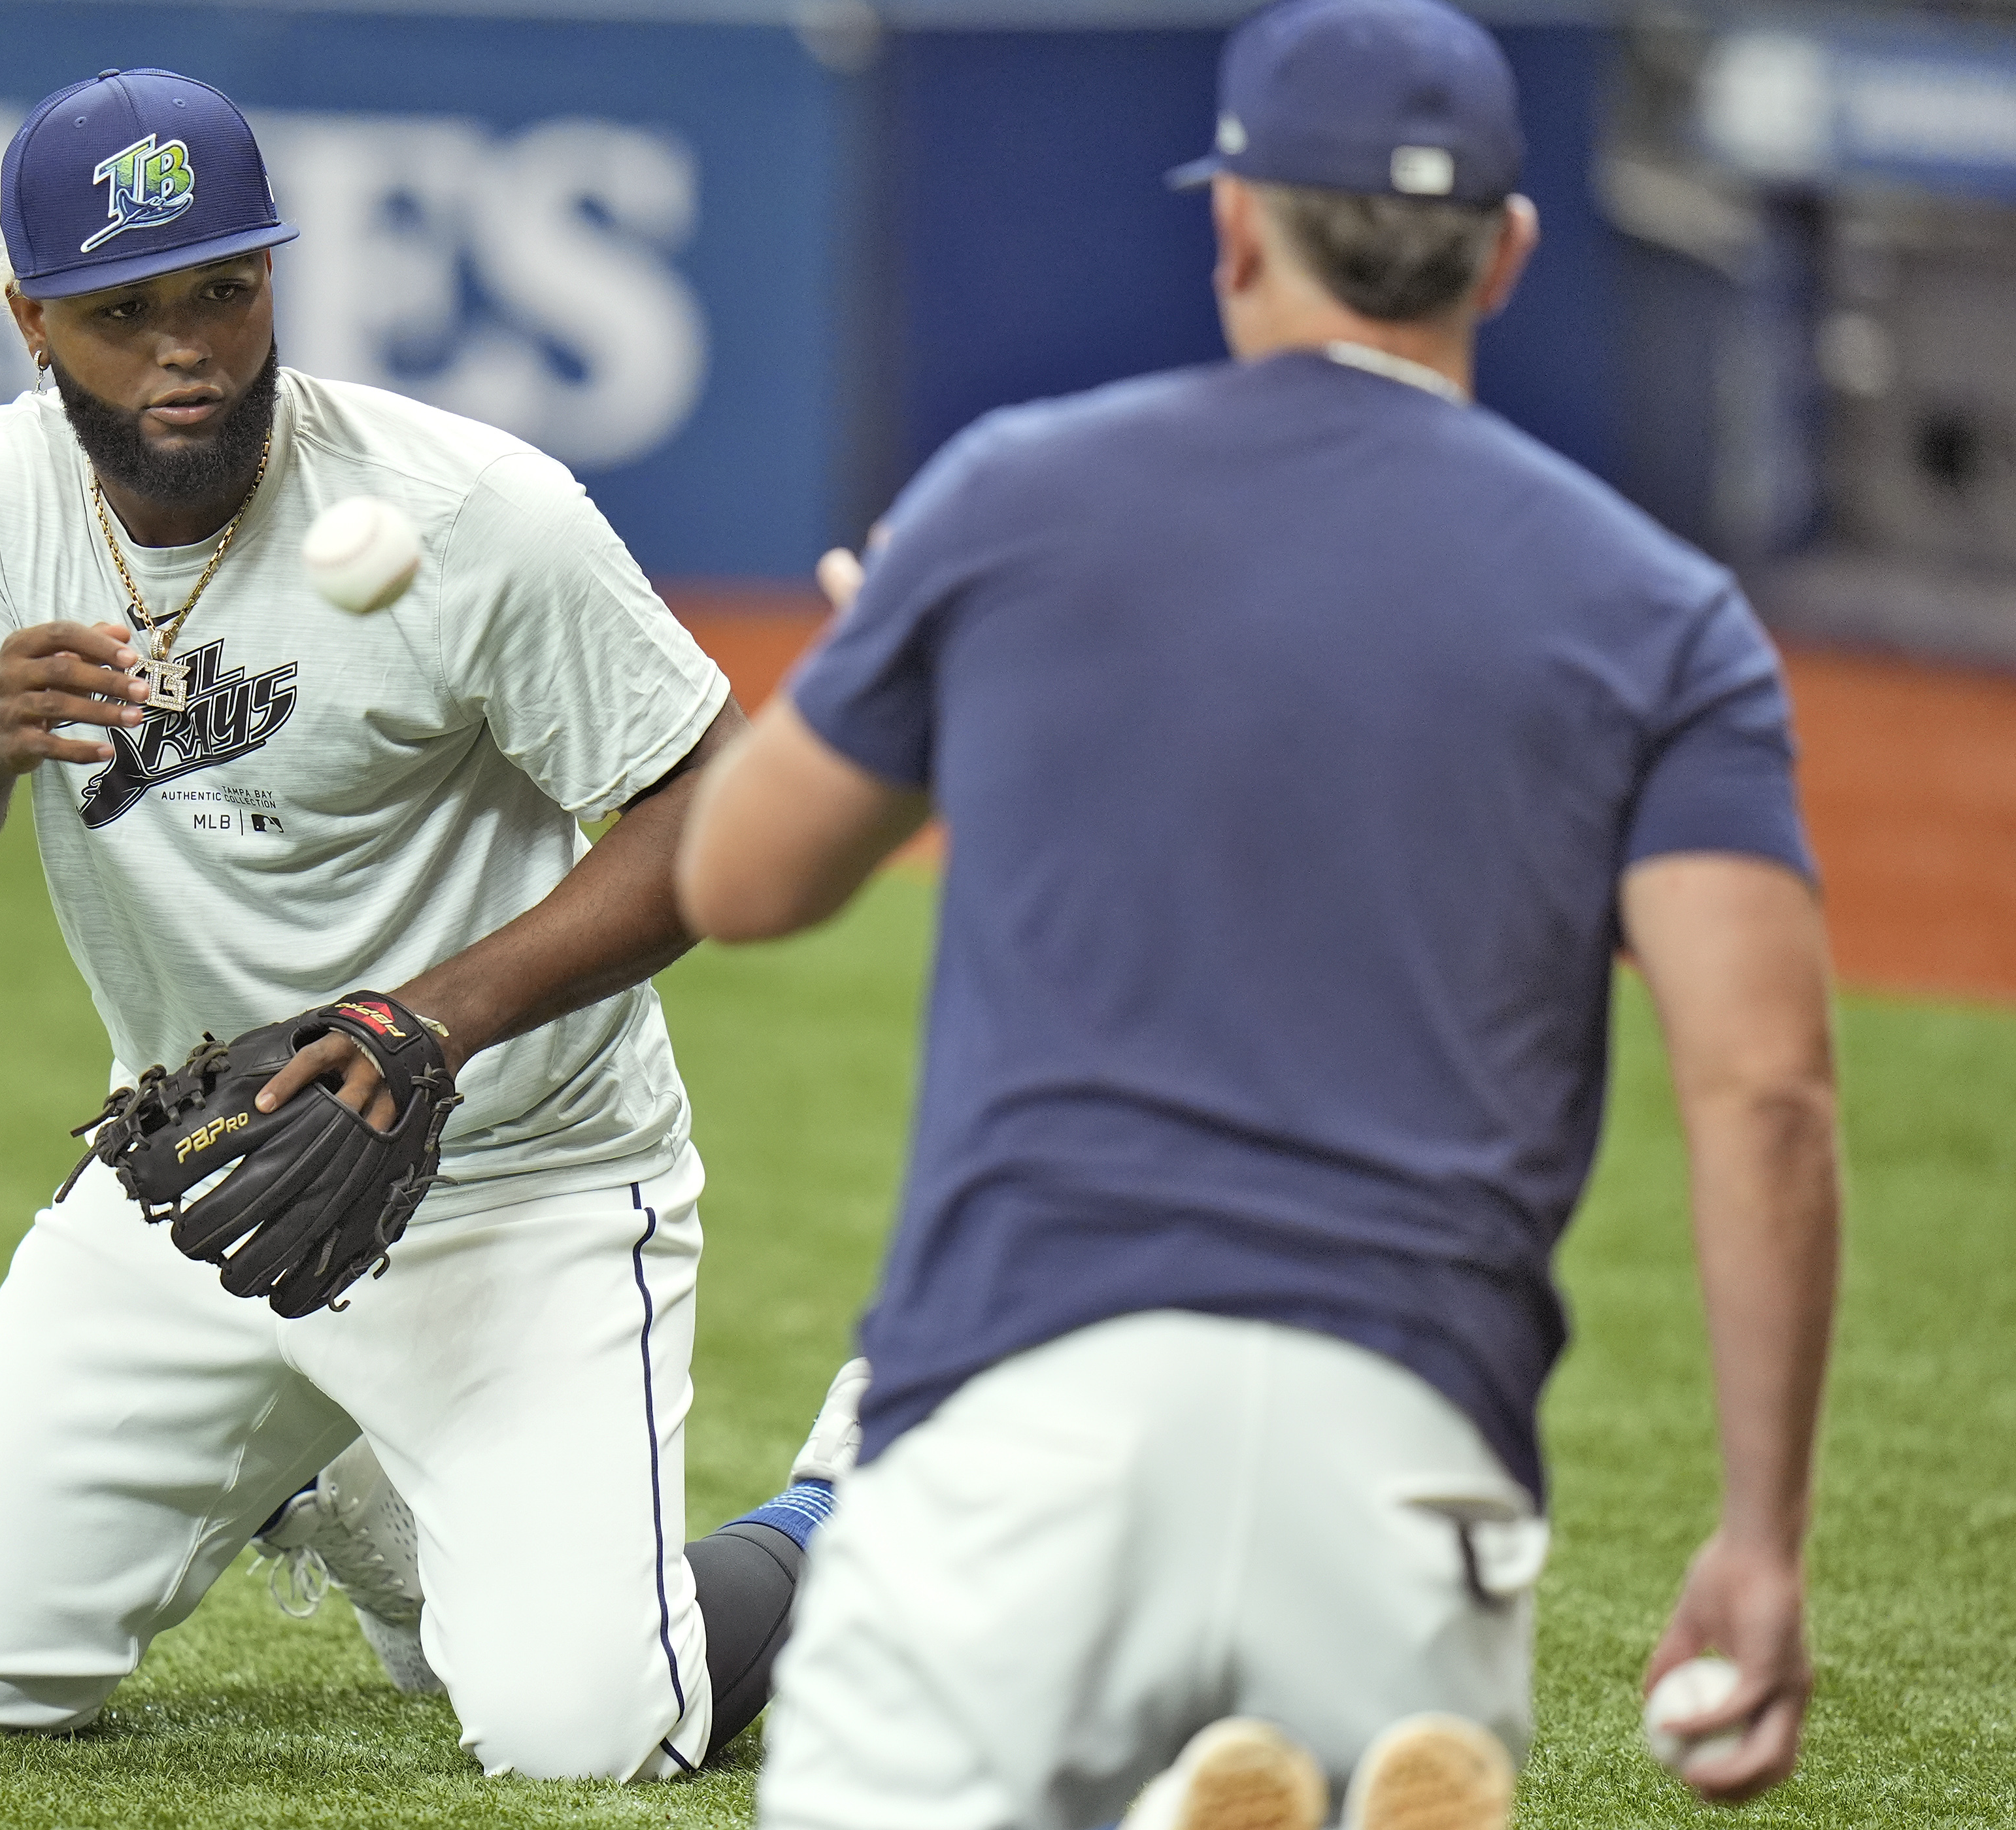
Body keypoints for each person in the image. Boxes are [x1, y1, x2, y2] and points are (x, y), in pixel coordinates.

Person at [675, 1, 1843, 1825]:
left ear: (1233, 228)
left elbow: (736, 883)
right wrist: (1763, 1537)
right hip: (1406, 1462)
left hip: (1020, 1413)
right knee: (1362, 1703)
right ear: (1510, 256)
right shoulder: (1662, 612)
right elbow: (1765, 1089)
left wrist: (906, 648)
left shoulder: (1010, 502)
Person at [0, 67, 856, 1782]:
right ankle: (348, 1490)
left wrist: (424, 1022)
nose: (189, 348)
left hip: (515, 1192)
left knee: (584, 1730)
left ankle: (846, 1509)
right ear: (29, 321)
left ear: (277, 282)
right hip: (208, 1182)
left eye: (225, 289)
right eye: (124, 310)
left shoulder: (476, 515)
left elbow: (712, 816)